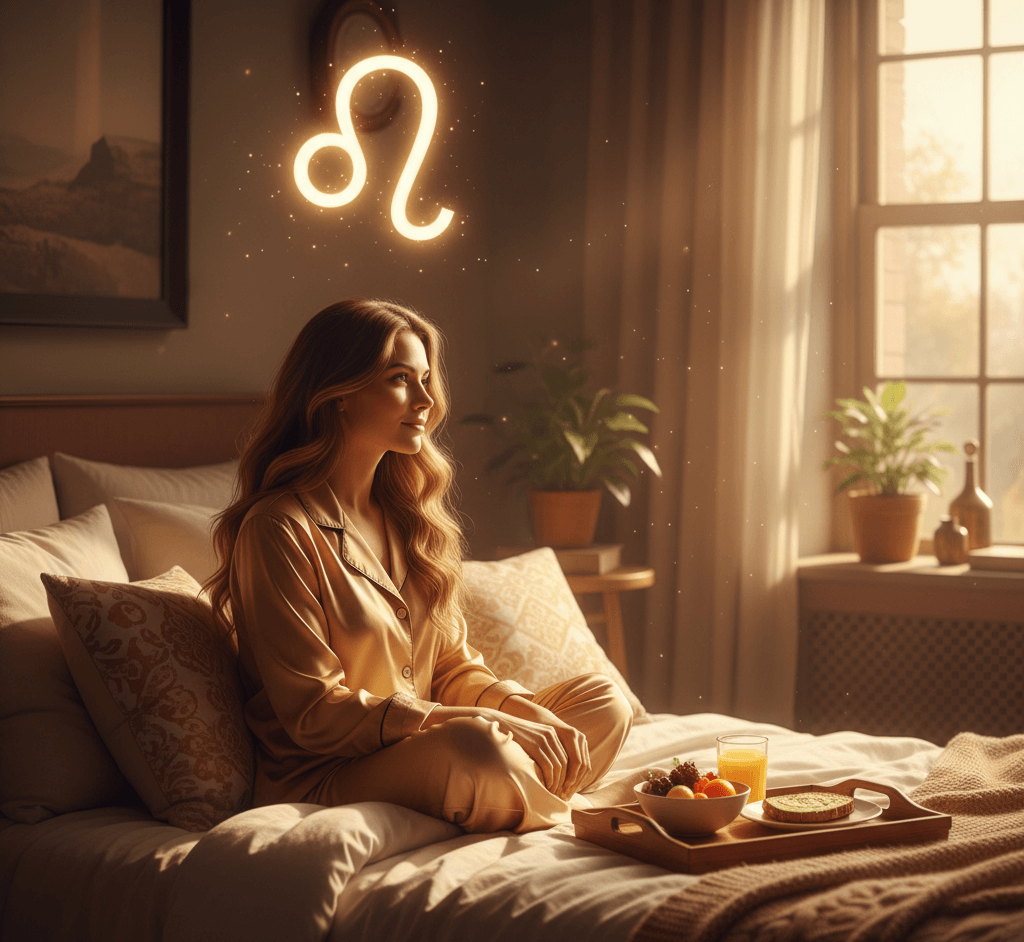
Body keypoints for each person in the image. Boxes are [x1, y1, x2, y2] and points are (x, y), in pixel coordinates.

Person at [206, 298, 632, 833]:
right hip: (328, 772)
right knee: (478, 746)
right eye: (400, 379)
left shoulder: (409, 521)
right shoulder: (277, 528)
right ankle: (518, 790)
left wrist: (522, 712)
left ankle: (503, 786)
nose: (428, 400)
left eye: (427, 379)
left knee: (604, 701)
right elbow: (314, 711)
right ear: (338, 393)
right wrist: (477, 722)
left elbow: (452, 669)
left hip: (433, 744)